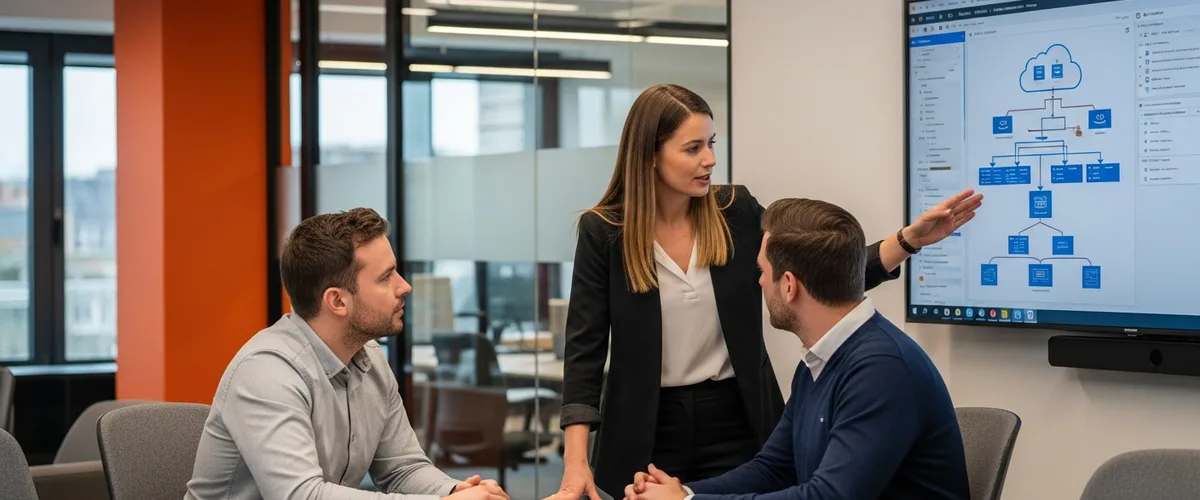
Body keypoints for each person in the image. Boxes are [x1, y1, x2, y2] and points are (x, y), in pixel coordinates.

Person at [549, 83, 981, 500]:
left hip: (736, 413)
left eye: (711, 143)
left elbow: (815, 270)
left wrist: (907, 240)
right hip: (646, 422)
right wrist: (576, 460)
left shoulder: (733, 211)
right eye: (693, 148)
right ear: (649, 155)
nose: (710, 160)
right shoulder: (605, 232)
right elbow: (584, 350)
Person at [624, 198, 970, 500]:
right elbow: (775, 468)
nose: (759, 281)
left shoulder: (882, 370)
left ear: (788, 285)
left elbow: (828, 497)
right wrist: (683, 493)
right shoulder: (820, 360)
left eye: (762, 271)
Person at [186, 208, 509, 500]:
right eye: (386, 277)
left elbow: (402, 468)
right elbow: (301, 496)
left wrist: (455, 491)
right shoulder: (267, 372)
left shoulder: (369, 358)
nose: (404, 286)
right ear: (337, 301)